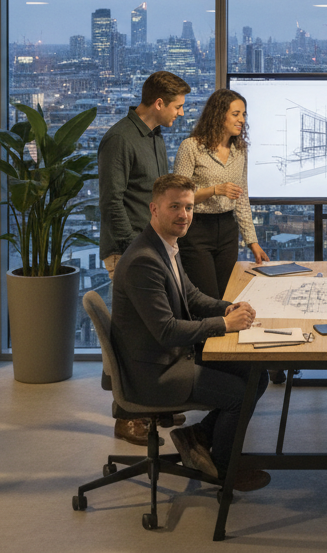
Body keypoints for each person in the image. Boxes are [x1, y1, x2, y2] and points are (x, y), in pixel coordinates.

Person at [109, 174, 271, 492]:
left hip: (167, 358)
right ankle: (223, 469)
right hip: (154, 373)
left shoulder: (165, 245)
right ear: (154, 209)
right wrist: (225, 325)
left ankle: (197, 437)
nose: (184, 215)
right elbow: (167, 331)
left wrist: (227, 308)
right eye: (175, 207)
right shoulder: (145, 261)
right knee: (240, 394)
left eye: (188, 207)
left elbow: (192, 296)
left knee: (257, 374)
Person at [98, 70, 191, 446]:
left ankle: (155, 403)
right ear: (158, 103)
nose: (181, 114)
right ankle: (127, 416)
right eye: (178, 107)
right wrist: (130, 248)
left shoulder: (155, 138)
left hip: (153, 245)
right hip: (130, 251)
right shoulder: (119, 139)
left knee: (156, 331)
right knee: (131, 336)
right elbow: (111, 201)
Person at [172, 88, 268, 298]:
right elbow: (178, 197)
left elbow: (242, 199)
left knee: (226, 295)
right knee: (206, 298)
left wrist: (253, 242)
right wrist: (215, 190)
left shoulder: (240, 150)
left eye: (244, 115)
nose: (241, 120)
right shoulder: (191, 147)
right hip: (196, 230)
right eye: (236, 114)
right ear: (218, 115)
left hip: (227, 230)